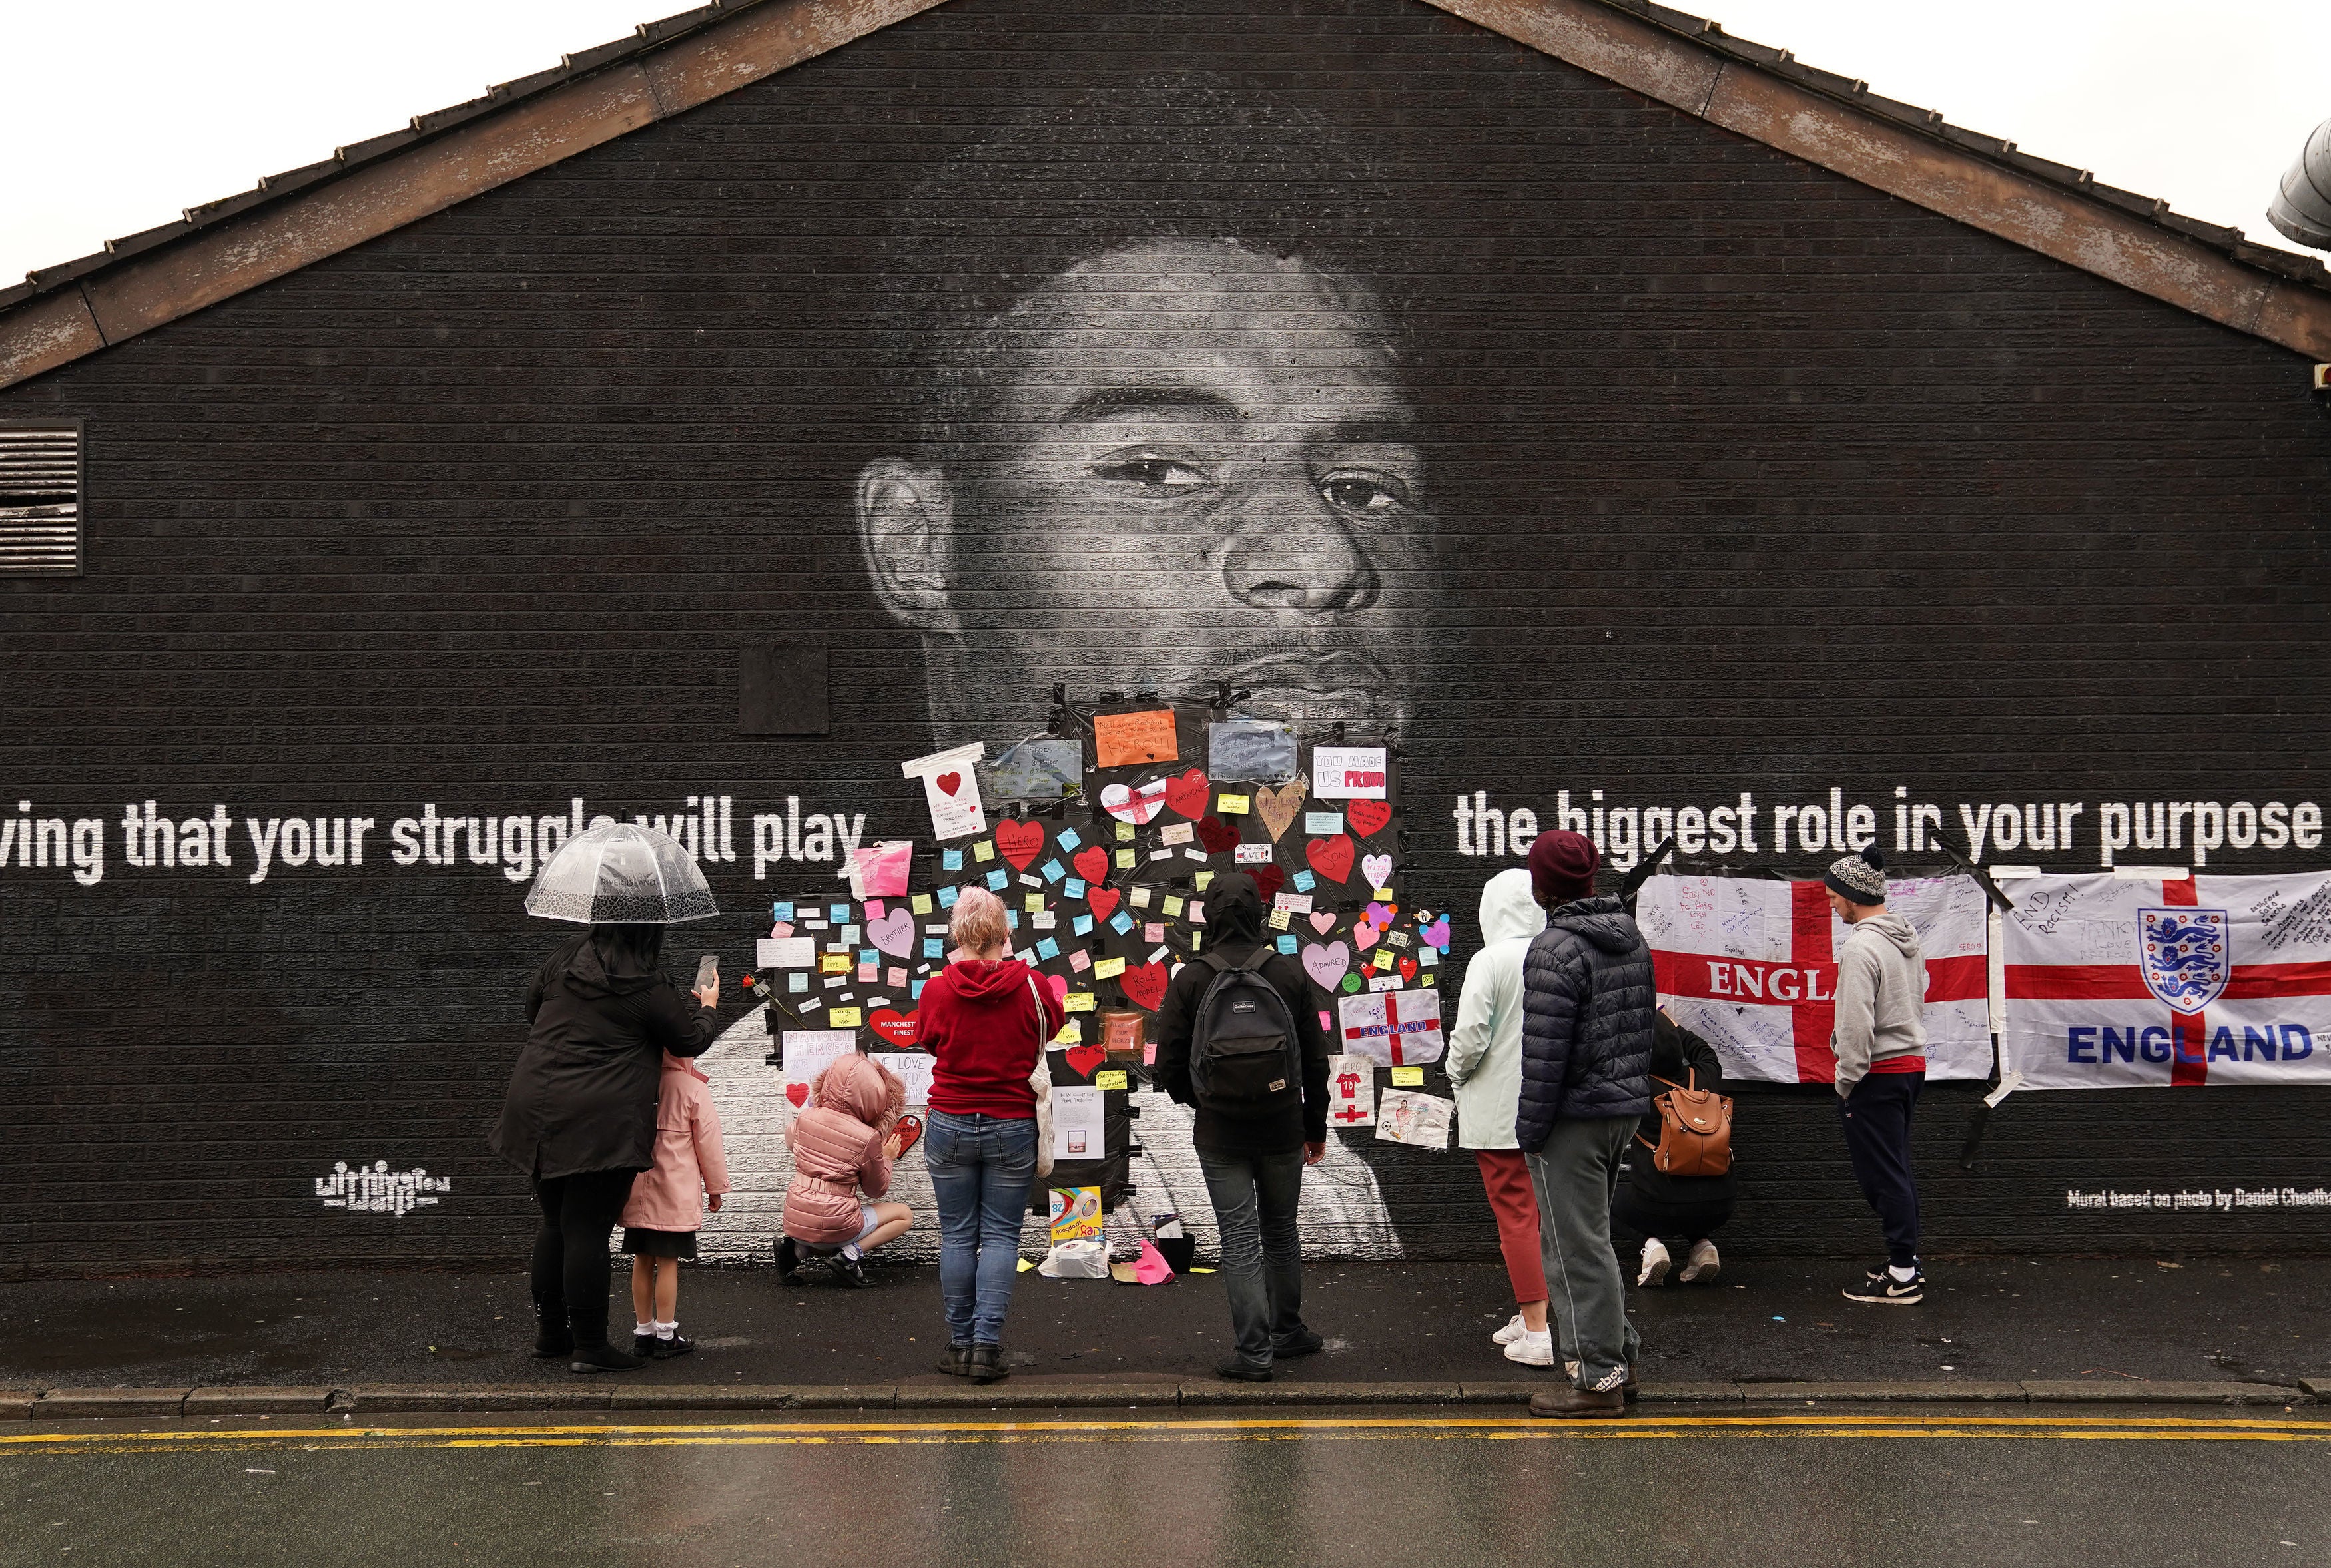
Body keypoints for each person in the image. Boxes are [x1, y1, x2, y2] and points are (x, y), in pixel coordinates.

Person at [490, 923, 719, 1373]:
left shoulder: (564, 959)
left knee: (556, 1222)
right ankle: (591, 1347)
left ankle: (552, 1333)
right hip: (599, 1117)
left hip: (536, 1101)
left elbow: (532, 1012)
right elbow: (690, 1040)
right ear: (649, 933)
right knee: (587, 1229)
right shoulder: (647, 985)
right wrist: (708, 1006)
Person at [1152, 870, 1332, 1382]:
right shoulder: (1289, 973)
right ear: (1259, 914)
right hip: (1281, 1128)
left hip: (1220, 1133)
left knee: (1238, 1237)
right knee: (1281, 1230)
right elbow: (1315, 1063)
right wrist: (1312, 1126)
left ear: (1209, 915)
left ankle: (1255, 1353)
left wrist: (1204, 1101)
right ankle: (1288, 1331)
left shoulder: (1190, 978)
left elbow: (1167, 1066)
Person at [1515, 830, 1654, 1419]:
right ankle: (1618, 1357)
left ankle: (1597, 1379)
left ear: (1542, 885)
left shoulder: (1553, 949)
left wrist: (1530, 1131)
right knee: (1592, 1240)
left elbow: (1545, 1056)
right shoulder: (1631, 938)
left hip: (1573, 1115)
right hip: (1622, 1109)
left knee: (1573, 1249)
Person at [914, 886, 1047, 1384]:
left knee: (957, 1234)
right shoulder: (1034, 987)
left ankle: (959, 1342)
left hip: (949, 1121)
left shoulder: (936, 990)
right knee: (999, 1235)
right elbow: (1046, 1031)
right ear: (1005, 933)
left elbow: (929, 1038)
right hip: (1012, 1124)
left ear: (957, 934)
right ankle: (986, 1348)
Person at [1445, 866, 1556, 1368]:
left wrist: (1454, 1075)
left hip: (1497, 1111)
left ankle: (1537, 1334)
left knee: (1514, 1216)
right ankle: (1534, 1312)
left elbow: (1469, 1038)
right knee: (1543, 1216)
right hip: (1550, 1108)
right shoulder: (1556, 955)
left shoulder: (1488, 960)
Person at [1824, 847, 1931, 1305]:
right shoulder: (1905, 937)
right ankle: (1903, 1261)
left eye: (1834, 895)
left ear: (1853, 894)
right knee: (1897, 1167)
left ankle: (1902, 1274)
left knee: (1883, 1176)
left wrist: (1847, 1079)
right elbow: (1919, 994)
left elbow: (1855, 1025)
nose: (1831, 902)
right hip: (1909, 1067)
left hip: (1876, 1074)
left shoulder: (1861, 946)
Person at [618, 1050, 732, 1358]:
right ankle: (666, 1335)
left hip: (637, 1191)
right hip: (674, 1193)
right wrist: (715, 1188)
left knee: (641, 1259)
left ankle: (644, 1332)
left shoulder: (636, 1081)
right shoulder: (692, 1088)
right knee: (667, 1262)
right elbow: (709, 1143)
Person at [1612, 1011, 1734, 1287]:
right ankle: (1703, 1247)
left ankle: (1652, 1247)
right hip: (1719, 1206)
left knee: (1601, 1202)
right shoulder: (1707, 1075)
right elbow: (1704, 1051)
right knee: (1692, 1196)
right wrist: (1672, 1026)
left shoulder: (1637, 1086)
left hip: (1657, 1205)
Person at [777, 1053, 915, 1288]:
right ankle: (850, 1256)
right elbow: (876, 1190)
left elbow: (791, 1142)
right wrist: (888, 1158)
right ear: (874, 1097)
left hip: (796, 1221)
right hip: (838, 1227)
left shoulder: (805, 1118)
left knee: (821, 1225)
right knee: (904, 1215)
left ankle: (795, 1250)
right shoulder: (868, 1137)